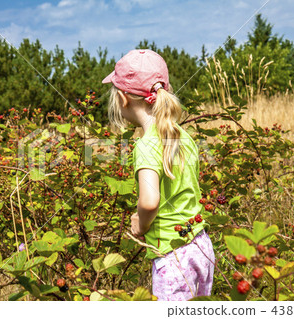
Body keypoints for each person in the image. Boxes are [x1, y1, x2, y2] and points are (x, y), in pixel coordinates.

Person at [102, 49, 215, 301]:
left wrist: (140, 225)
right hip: (201, 245)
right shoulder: (182, 136)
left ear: (122, 99)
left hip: (173, 256)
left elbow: (150, 201)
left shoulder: (146, 145)